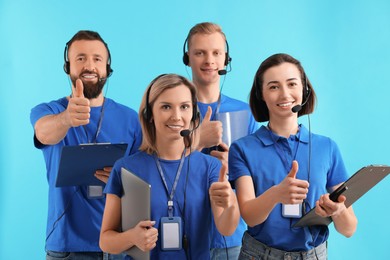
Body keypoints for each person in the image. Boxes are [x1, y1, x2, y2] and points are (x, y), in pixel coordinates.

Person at [229, 53, 358, 260]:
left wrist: (338, 211)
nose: (284, 94)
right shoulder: (242, 149)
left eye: (292, 84)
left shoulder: (327, 147)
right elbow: (250, 217)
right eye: (273, 86)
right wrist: (276, 194)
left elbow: (349, 228)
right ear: (261, 94)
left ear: (304, 89)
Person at [99, 74, 240, 259]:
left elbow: (226, 228)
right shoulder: (125, 168)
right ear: (149, 114)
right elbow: (105, 240)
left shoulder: (210, 167)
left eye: (184, 107)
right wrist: (132, 237)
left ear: (193, 115)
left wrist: (230, 204)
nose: (176, 116)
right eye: (166, 107)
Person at [30, 30, 142, 259]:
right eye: (80, 58)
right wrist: (66, 119)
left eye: (97, 59)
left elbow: (146, 176)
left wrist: (124, 180)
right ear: (67, 66)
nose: (89, 65)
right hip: (68, 247)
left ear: (107, 68)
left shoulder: (132, 119)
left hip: (120, 246)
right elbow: (43, 133)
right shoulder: (49, 111)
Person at [183, 22, 258, 259]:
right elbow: (155, 164)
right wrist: (197, 140)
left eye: (216, 53)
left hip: (231, 238)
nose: (209, 60)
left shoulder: (245, 113)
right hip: (183, 235)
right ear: (187, 58)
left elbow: (258, 177)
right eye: (200, 53)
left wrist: (234, 165)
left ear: (226, 59)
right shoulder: (173, 109)